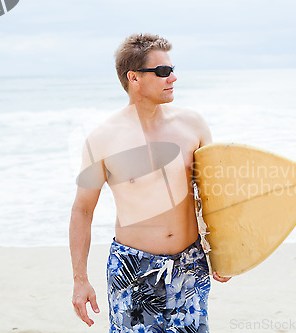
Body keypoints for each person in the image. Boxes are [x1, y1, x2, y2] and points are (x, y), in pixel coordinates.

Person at [69, 33, 230, 332]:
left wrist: (223, 252)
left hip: (190, 264)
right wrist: (80, 280)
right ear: (134, 78)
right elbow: (82, 211)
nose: (173, 78)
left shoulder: (192, 125)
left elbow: (213, 195)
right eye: (163, 72)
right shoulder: (103, 138)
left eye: (172, 69)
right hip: (133, 269)